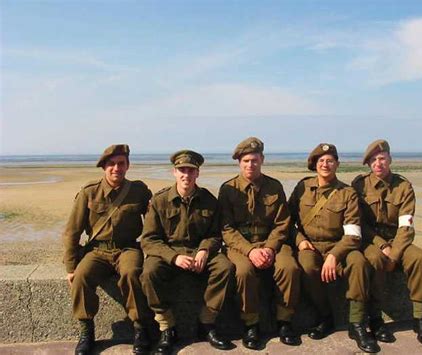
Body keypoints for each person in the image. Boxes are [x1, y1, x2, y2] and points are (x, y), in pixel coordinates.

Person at [140, 150, 234, 355]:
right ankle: (167, 327)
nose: (186, 175)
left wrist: (204, 250)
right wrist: (173, 257)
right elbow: (149, 240)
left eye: (191, 171)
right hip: (169, 253)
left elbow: (216, 234)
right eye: (182, 170)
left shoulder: (209, 200)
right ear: (174, 172)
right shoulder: (160, 201)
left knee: (224, 267)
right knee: (149, 272)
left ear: (197, 174)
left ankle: (207, 324)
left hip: (198, 252)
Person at [288, 143, 380, 353]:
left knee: (358, 262)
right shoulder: (302, 188)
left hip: (342, 246)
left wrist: (334, 256)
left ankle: (356, 324)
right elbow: (286, 221)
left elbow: (353, 234)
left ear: (337, 164)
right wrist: (300, 240)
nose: (325, 164)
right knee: (306, 265)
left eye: (330, 160)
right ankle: (325, 316)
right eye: (321, 161)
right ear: (315, 164)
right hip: (310, 246)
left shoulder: (347, 193)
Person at [63, 144, 153, 355]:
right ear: (104, 167)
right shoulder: (89, 192)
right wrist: (71, 266)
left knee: (132, 274)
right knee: (81, 277)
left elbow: (151, 224)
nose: (116, 168)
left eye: (121, 164)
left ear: (128, 166)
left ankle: (140, 329)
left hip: (128, 249)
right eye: (111, 164)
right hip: (97, 251)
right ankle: (87, 331)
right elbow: (72, 232)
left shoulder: (139, 190)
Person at [352, 139, 422, 346]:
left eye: (382, 158)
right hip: (371, 240)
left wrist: (395, 253)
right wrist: (383, 246)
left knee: (420, 258)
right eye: (373, 160)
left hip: (398, 239)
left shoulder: (403, 186)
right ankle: (376, 318)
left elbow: (406, 226)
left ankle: (420, 318)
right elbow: (360, 224)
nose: (378, 163)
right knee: (375, 260)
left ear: (390, 159)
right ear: (368, 164)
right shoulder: (359, 185)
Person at [218, 137, 301, 350]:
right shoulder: (228, 189)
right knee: (243, 272)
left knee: (289, 267)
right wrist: (251, 250)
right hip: (241, 245)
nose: (250, 165)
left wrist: (269, 248)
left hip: (271, 242)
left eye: (254, 160)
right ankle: (251, 323)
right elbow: (227, 229)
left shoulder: (274, 186)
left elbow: (283, 223)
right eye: (245, 161)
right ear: (239, 162)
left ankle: (284, 321)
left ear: (262, 160)